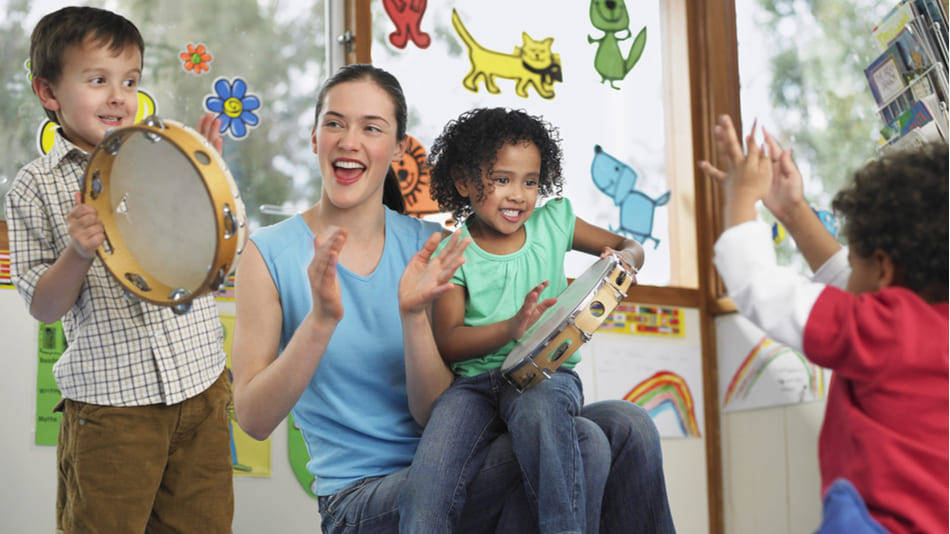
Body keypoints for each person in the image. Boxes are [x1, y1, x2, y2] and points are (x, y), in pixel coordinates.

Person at [231, 64, 676, 534]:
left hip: (462, 454)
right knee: (583, 441)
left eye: (371, 128)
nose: (349, 141)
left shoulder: (438, 248)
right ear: (314, 136)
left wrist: (414, 316)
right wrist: (320, 321)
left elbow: (433, 408)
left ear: (398, 147)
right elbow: (253, 420)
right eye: (335, 123)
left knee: (629, 425)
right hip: (364, 496)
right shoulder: (268, 254)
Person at [4, 6, 233, 533]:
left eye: (129, 80)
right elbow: (43, 306)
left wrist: (203, 181)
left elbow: (201, 250)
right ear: (48, 92)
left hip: (200, 387)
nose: (118, 96)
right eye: (97, 79)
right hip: (111, 411)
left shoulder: (161, 153)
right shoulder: (34, 186)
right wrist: (77, 254)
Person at [398, 107, 645, 534]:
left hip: (545, 374)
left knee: (545, 425)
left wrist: (624, 259)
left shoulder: (555, 224)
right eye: (501, 180)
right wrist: (512, 329)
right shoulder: (453, 252)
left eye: (530, 182)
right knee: (429, 481)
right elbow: (450, 342)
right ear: (462, 182)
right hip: (473, 387)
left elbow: (630, 245)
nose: (518, 194)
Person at [700, 115, 948, 534]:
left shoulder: (886, 330)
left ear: (884, 270)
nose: (845, 280)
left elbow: (760, 287)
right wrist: (792, 211)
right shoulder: (926, 328)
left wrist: (741, 198)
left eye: (855, 263)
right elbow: (851, 294)